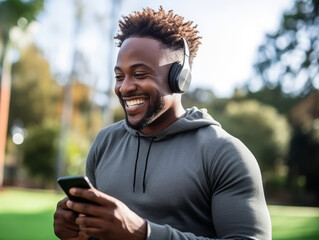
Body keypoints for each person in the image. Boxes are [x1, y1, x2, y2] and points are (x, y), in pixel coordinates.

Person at [54, 6, 272, 240]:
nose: (125, 87)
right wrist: (79, 233)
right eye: (119, 76)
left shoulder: (224, 153)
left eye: (139, 74)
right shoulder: (105, 142)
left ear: (179, 79)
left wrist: (142, 233)